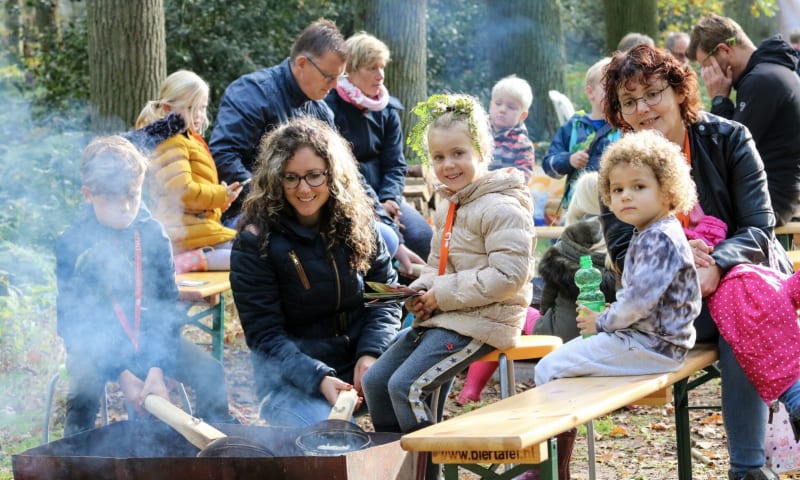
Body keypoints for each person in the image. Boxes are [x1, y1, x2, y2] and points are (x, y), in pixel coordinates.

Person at [602, 44, 793, 480]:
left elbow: (760, 226)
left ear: (678, 91)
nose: (644, 109)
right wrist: (675, 256)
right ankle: (748, 468)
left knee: (737, 307)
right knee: (738, 311)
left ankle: (746, 468)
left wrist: (716, 265)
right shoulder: (617, 160)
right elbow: (618, 246)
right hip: (663, 301)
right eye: (629, 102)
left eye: (653, 93)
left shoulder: (728, 138)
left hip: (736, 284)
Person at [362, 93, 534, 435]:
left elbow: (509, 277)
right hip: (450, 314)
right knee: (376, 381)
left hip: (486, 319)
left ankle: (430, 472)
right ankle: (396, 466)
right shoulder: (449, 206)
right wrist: (420, 293)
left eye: (459, 153)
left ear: (481, 153)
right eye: (439, 157)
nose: (448, 165)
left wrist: (440, 294)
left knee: (406, 388)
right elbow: (435, 267)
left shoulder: (501, 207)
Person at [56, 136, 235, 437]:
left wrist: (156, 368)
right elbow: (73, 322)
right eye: (112, 198)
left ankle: (214, 456)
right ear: (88, 194)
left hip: (148, 338)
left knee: (210, 372)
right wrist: (123, 374)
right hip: (95, 345)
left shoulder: (152, 234)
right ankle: (73, 460)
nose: (125, 207)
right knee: (84, 391)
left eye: (132, 195)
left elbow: (166, 307)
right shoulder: (72, 243)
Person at [229, 117, 401, 427]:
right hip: (295, 384)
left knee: (424, 353)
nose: (303, 188)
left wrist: (372, 353)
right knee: (333, 444)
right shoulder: (255, 242)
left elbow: (386, 296)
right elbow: (265, 337)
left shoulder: (359, 225)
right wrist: (319, 377)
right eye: (290, 177)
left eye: (314, 176)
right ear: (274, 178)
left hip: (363, 366)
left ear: (333, 174)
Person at [325, 31, 431, 273]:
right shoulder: (329, 107)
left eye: (382, 67)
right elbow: (341, 171)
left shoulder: (388, 110)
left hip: (386, 197)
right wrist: (375, 207)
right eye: (371, 68)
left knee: (422, 236)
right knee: (370, 244)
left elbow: (395, 164)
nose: (380, 75)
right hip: (346, 199)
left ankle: (406, 305)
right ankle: (376, 304)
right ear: (349, 71)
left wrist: (389, 199)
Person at [688, 14, 800, 226]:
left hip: (767, 202)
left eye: (706, 64)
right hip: (773, 196)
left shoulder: (761, 81)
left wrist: (720, 100)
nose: (705, 74)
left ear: (724, 50)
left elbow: (725, 154)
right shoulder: (770, 72)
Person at [136, 70, 241, 272]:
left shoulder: (186, 138)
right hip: (185, 237)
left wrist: (223, 200)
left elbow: (194, 201)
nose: (200, 115)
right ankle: (187, 262)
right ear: (168, 108)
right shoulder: (171, 141)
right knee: (251, 259)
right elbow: (182, 191)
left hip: (197, 232)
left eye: (202, 108)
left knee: (254, 254)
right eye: (191, 108)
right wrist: (219, 195)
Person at [542, 57, 620, 217]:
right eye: (608, 87)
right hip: (576, 208)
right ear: (590, 92)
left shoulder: (627, 126)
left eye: (618, 86)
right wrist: (569, 160)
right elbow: (548, 165)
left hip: (614, 210)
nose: (615, 92)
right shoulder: (574, 126)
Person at [487, 74, 535, 183]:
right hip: (475, 192)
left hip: (506, 194)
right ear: (490, 106)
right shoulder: (478, 134)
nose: (502, 110)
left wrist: (498, 181)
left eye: (511, 107)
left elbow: (524, 176)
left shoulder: (522, 144)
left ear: (522, 116)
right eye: (498, 104)